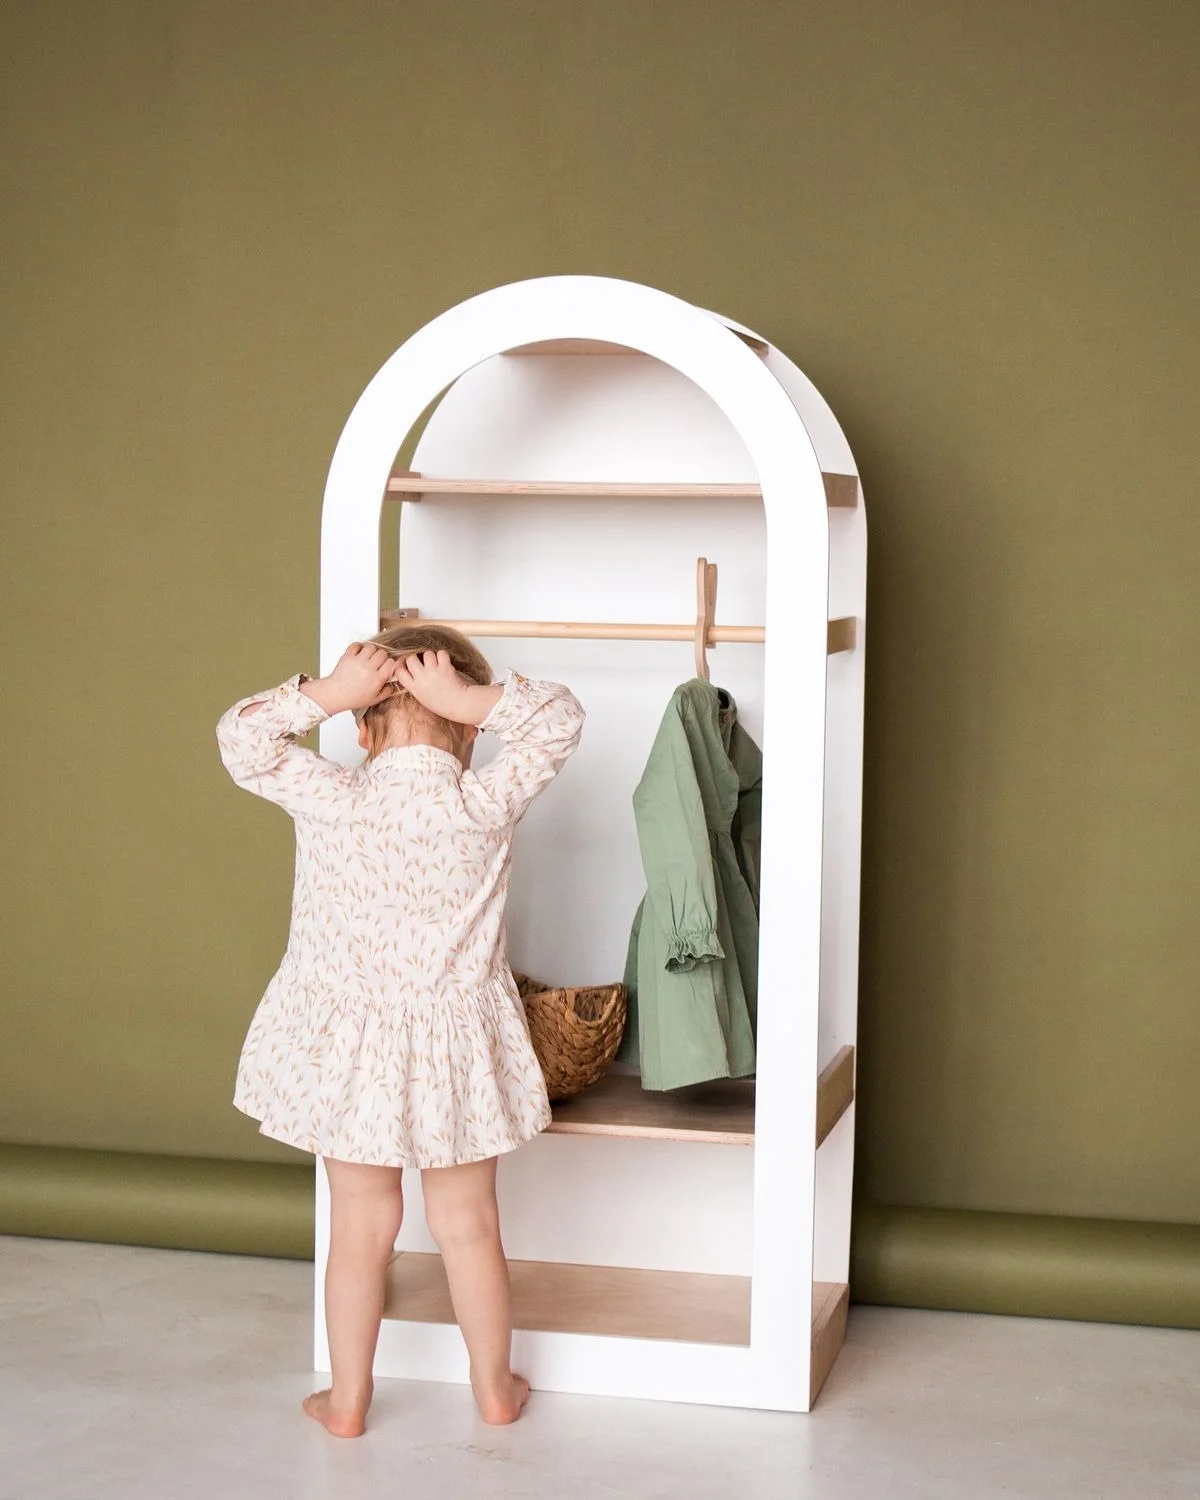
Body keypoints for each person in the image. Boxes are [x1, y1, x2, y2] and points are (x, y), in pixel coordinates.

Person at [216, 627, 584, 1436]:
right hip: (458, 1052)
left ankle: (348, 1402)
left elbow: (240, 738)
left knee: (360, 1227)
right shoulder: (482, 801)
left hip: (352, 1055)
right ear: (472, 733)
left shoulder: (332, 795)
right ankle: (494, 1391)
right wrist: (471, 698)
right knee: (469, 1226)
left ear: (361, 730)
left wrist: (327, 692)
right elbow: (561, 718)